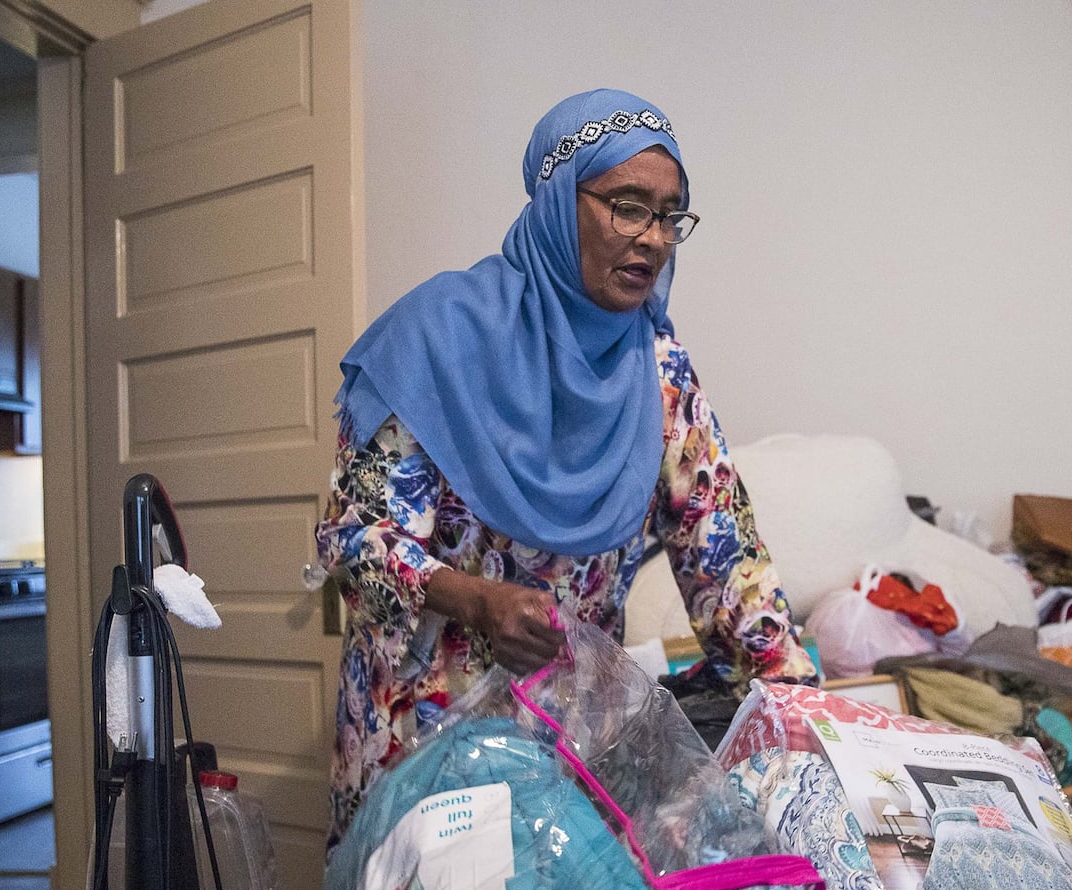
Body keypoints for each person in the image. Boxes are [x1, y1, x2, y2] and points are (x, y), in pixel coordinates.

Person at [315, 89, 815, 845]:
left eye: (669, 215)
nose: (652, 238)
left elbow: (727, 563)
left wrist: (804, 711)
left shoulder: (659, 375)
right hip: (421, 738)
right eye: (627, 206)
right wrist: (479, 599)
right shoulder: (440, 338)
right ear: (558, 201)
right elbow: (352, 537)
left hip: (570, 740)